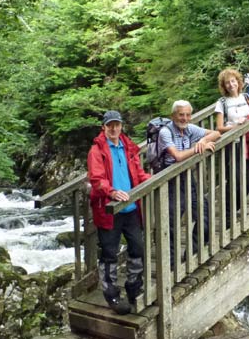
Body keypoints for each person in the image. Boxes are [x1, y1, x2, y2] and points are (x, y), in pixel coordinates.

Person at [87, 110, 151, 315]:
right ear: (104, 127)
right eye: (110, 125)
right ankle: (111, 294)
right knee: (109, 253)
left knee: (137, 248)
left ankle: (134, 287)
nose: (114, 129)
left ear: (121, 126)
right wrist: (112, 191)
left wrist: (150, 179)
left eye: (117, 125)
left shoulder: (128, 147)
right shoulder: (96, 151)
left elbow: (137, 173)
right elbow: (97, 180)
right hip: (108, 210)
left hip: (131, 207)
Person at [157, 100, 221, 260]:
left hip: (187, 178)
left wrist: (203, 141)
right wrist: (197, 149)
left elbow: (216, 133)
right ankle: (170, 262)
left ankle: (191, 255)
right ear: (173, 116)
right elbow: (177, 157)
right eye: (181, 115)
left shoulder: (189, 129)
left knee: (204, 214)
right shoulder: (165, 132)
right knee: (171, 221)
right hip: (169, 180)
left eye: (187, 115)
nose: (184, 118)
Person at [215, 69, 249, 227]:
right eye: (227, 83)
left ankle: (235, 208)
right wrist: (235, 127)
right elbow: (219, 128)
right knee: (235, 180)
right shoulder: (222, 103)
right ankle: (228, 215)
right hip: (233, 145)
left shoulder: (247, 98)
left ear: (238, 82)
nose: (231, 85)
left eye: (233, 81)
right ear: (224, 86)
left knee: (247, 180)